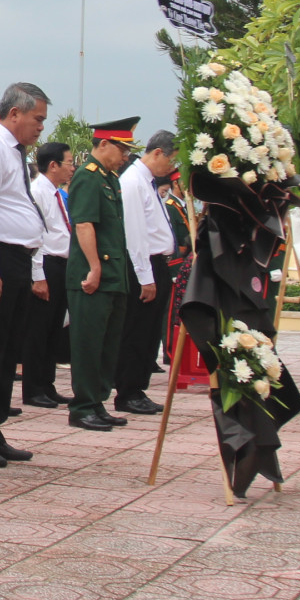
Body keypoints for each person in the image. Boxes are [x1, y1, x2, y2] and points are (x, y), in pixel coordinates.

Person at [0, 83, 49, 466]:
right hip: (0, 258)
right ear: (14, 113)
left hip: (18, 257)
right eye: (37, 119)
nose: (41, 129)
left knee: (8, 352)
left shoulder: (14, 152)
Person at [65, 118, 142, 432]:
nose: (124, 156)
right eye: (122, 148)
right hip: (93, 276)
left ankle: (97, 402)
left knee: (108, 344)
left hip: (113, 274)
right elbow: (84, 224)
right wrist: (94, 267)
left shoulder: (110, 178)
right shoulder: (89, 177)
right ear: (104, 144)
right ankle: (83, 406)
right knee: (88, 344)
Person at [114, 130, 178, 417]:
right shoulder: (132, 181)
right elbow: (135, 234)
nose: (172, 168)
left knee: (149, 332)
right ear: (157, 153)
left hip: (156, 264)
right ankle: (128, 391)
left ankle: (138, 387)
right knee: (137, 331)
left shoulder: (147, 181)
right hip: (144, 264)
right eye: (171, 160)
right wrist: (145, 277)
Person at [24, 140, 75, 408]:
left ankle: (47, 384)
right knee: (39, 330)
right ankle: (33, 388)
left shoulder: (56, 193)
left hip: (61, 266)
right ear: (52, 165)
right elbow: (37, 237)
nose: (72, 168)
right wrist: (38, 275)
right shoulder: (39, 191)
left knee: (54, 329)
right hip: (46, 266)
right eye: (68, 163)